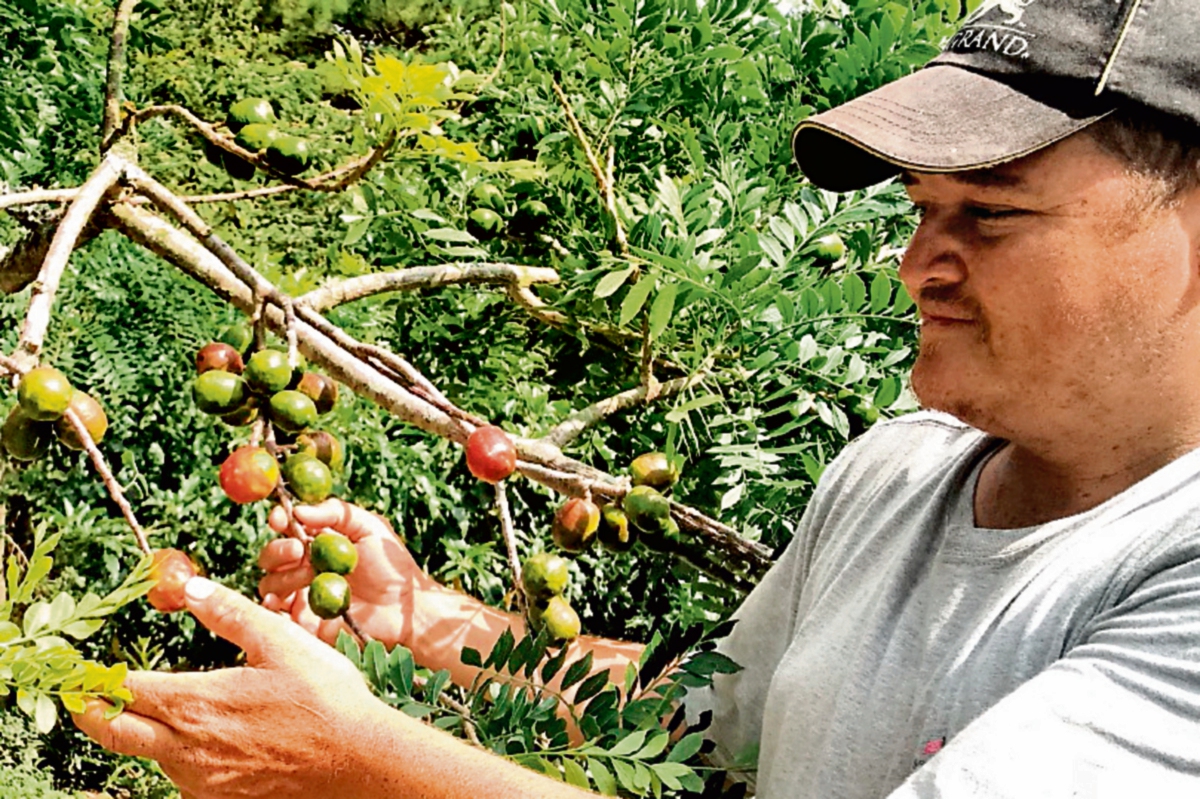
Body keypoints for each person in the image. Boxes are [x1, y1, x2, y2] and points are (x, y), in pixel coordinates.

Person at [74, 1, 1200, 796]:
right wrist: (429, 618)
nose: (916, 265)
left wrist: (361, 769)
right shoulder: (897, 470)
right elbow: (707, 733)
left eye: (989, 215)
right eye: (920, 207)